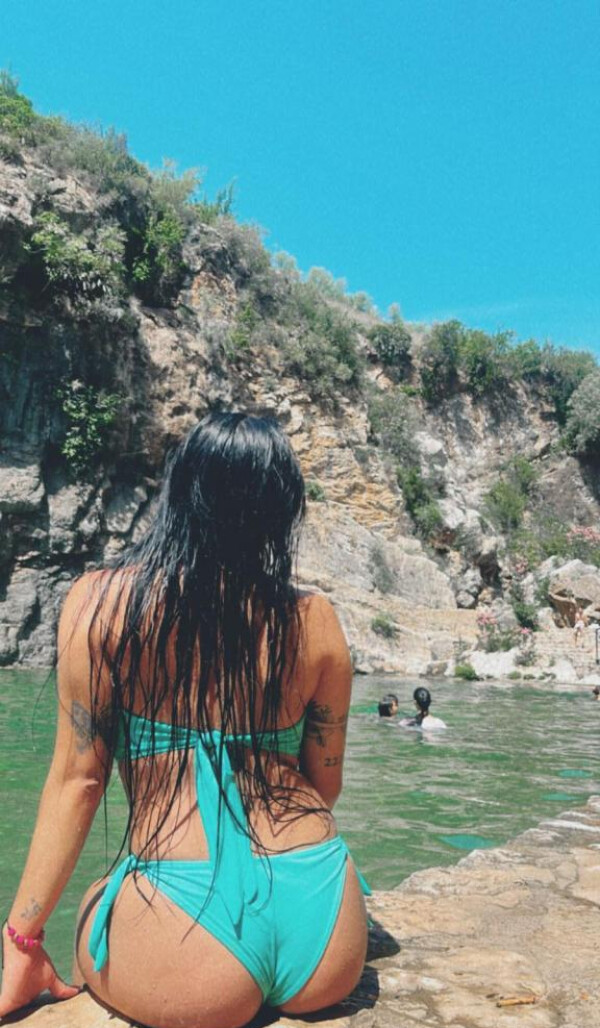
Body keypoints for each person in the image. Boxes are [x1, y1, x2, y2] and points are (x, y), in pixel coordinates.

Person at [0, 413, 369, 1028]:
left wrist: (21, 940)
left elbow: (79, 784)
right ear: (282, 511)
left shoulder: (103, 604)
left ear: (180, 492)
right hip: (323, 916)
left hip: (185, 931)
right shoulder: (316, 620)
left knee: (99, 899)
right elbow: (324, 786)